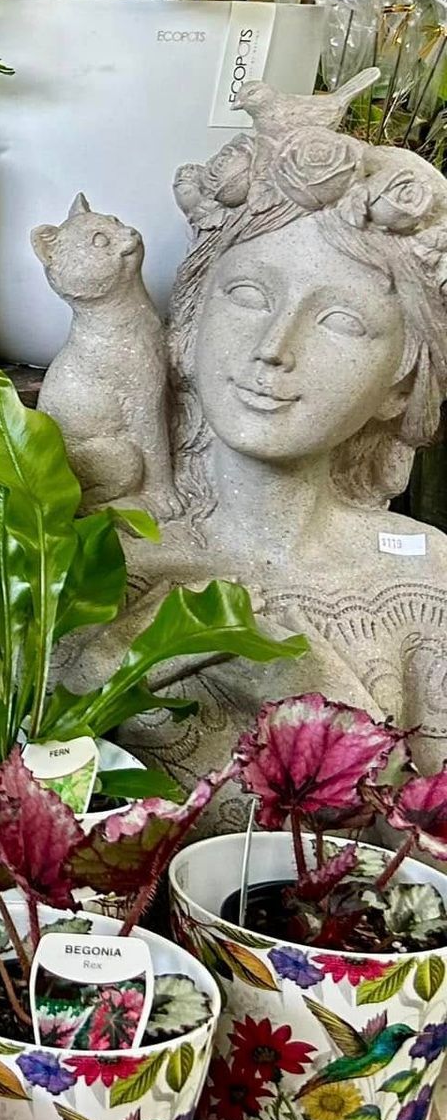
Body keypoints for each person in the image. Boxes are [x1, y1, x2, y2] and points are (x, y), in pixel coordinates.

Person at [56, 91, 447, 790]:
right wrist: (100, 667)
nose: (274, 346)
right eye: (248, 296)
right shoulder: (77, 559)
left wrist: (303, 680)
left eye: (340, 321)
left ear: (402, 380)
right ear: (189, 326)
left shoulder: (427, 585)